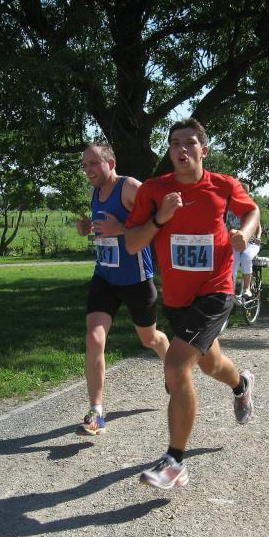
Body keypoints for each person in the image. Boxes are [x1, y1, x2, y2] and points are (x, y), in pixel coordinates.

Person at [124, 118, 260, 490]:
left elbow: (252, 212)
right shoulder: (154, 190)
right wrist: (159, 218)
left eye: (189, 142)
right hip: (177, 297)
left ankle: (174, 462)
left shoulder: (223, 185)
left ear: (203, 150)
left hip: (215, 290)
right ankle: (241, 384)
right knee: (211, 364)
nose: (181, 149)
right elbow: (133, 244)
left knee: (176, 364)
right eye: (174, 143)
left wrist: (244, 234)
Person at [74, 143, 170, 436]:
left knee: (150, 339)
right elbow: (103, 230)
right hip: (105, 277)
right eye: (85, 165)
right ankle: (96, 411)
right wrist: (86, 228)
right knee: (94, 337)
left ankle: (173, 367)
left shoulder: (129, 187)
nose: (88, 170)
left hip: (136, 279)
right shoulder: (95, 192)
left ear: (111, 163)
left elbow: (160, 219)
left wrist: (121, 228)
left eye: (93, 163)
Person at [226, 207, 262, 299]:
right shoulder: (228, 210)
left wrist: (258, 237)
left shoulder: (249, 208)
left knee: (246, 257)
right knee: (232, 263)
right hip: (235, 243)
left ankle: (247, 288)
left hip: (251, 243)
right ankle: (230, 291)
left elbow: (258, 227)